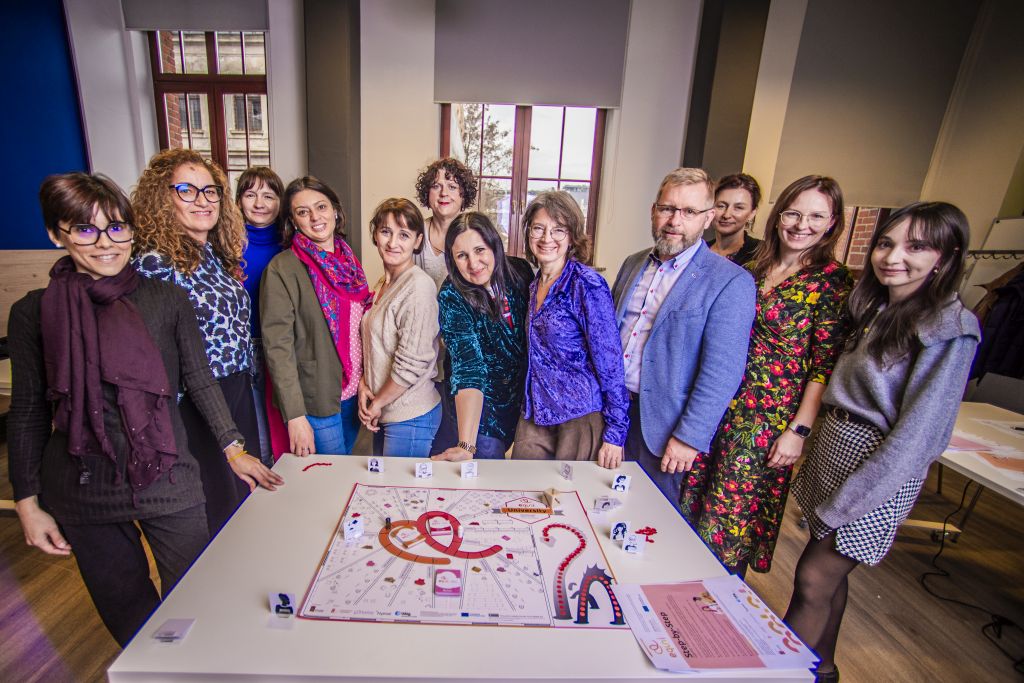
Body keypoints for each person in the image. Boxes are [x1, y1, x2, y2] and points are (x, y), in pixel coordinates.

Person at [8, 173, 281, 647]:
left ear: (131, 230)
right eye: (85, 229)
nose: (105, 243)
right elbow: (28, 411)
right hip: (83, 485)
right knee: (128, 613)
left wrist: (233, 448)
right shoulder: (34, 312)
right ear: (56, 234)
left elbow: (199, 379)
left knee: (197, 598)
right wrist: (27, 502)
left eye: (116, 228)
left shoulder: (164, 299)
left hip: (168, 473)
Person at [784, 202, 980, 683]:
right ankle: (823, 669)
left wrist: (849, 502)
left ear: (947, 257)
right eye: (887, 244)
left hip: (876, 470)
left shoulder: (950, 327)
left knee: (813, 578)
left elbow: (918, 439)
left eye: (916, 247)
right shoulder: (877, 306)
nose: (893, 257)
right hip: (837, 452)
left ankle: (774, 673)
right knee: (829, 581)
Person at [681, 175, 854, 576]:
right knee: (691, 505)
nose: (801, 225)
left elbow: (824, 365)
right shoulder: (753, 267)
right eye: (793, 213)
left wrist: (799, 430)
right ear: (778, 216)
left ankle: (718, 603)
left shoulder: (832, 280)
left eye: (816, 216)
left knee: (729, 520)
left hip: (765, 421)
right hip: (717, 402)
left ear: (832, 223)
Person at [132, 149, 266, 536]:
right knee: (218, 503)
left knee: (244, 496)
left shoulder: (213, 255)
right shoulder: (154, 264)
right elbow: (157, 354)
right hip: (195, 398)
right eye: (187, 190)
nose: (202, 201)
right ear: (162, 197)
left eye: (210, 191)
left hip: (236, 388)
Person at [611, 167, 756, 505]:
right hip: (613, 414)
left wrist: (689, 437)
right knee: (603, 506)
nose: (675, 220)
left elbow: (722, 372)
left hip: (663, 427)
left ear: (708, 218)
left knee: (649, 518)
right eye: (667, 208)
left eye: (689, 211)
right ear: (654, 211)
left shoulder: (730, 281)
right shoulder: (633, 264)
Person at [510, 191, 629, 465]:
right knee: (521, 488)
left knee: (571, 492)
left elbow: (610, 362)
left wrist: (616, 432)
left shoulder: (586, 284)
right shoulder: (533, 285)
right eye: (538, 228)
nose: (546, 238)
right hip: (536, 411)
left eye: (558, 230)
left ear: (572, 236)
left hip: (579, 416)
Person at [261, 176, 373, 456]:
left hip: (353, 392)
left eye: (321, 207)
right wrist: (295, 415)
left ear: (335, 210)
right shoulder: (282, 268)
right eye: (303, 212)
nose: (315, 217)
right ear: (293, 221)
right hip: (316, 397)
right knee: (331, 475)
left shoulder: (348, 260)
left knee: (347, 467)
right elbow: (278, 348)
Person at [430, 212, 534, 461]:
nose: (473, 264)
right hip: (480, 412)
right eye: (461, 256)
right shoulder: (452, 295)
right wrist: (467, 445)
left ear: (494, 246)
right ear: (452, 260)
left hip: (519, 403)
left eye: (479, 250)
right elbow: (468, 366)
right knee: (486, 469)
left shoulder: (521, 272)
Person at [358, 198, 442, 456]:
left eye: (404, 235)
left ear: (417, 241)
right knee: (383, 482)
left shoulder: (418, 287)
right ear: (375, 235)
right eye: (386, 232)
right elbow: (375, 347)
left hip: (410, 415)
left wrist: (377, 403)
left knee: (399, 484)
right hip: (385, 409)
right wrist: (364, 385)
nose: (393, 243)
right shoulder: (382, 283)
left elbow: (413, 362)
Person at [236, 166, 285, 464]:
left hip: (280, 348)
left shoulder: (290, 243)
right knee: (255, 434)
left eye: (268, 196)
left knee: (284, 430)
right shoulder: (226, 244)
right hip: (243, 349)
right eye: (250, 195)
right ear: (239, 200)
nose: (259, 203)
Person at [413, 157, 479, 288]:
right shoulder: (414, 232)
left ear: (464, 195)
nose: (444, 193)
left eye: (452, 187)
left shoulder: (476, 236)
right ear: (427, 193)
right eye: (436, 186)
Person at [707, 173, 763, 265]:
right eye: (721, 206)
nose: (727, 215)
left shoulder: (762, 253)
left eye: (738, 208)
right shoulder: (699, 250)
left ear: (752, 213)